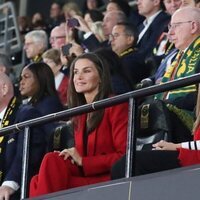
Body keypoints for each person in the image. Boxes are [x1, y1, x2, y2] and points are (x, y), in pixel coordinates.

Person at [29, 52, 129, 197]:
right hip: (88, 176)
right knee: (42, 173)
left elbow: (124, 156)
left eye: (86, 71)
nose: (79, 77)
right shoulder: (80, 112)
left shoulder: (116, 105)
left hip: (108, 177)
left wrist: (83, 160)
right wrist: (72, 156)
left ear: (101, 77)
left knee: (46, 173)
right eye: (75, 72)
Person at [0, 72, 46, 199]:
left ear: (4, 89)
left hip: (13, 190)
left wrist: (9, 184)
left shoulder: (26, 114)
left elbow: (27, 153)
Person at [19, 62, 63, 140]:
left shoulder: (49, 104)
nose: (21, 82)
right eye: (21, 78)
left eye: (26, 77)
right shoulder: (31, 104)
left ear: (40, 78)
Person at [110, 22, 150, 87]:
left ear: (130, 39)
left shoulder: (132, 61)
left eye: (116, 35)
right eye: (111, 36)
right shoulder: (123, 58)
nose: (111, 40)